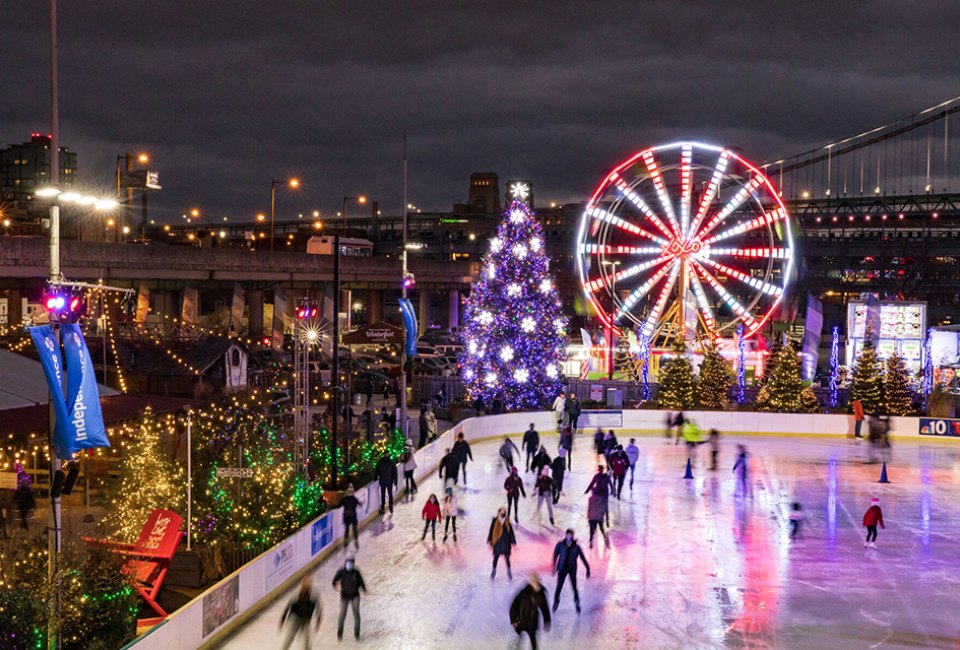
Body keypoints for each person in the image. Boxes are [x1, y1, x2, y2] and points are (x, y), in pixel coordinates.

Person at [552, 529, 590, 613]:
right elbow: (555, 555)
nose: (569, 537)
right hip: (562, 569)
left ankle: (577, 603)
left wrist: (587, 568)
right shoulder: (560, 545)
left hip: (572, 569)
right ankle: (556, 602)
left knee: (574, 588)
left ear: (572, 536)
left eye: (570, 535)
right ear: (565, 535)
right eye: (567, 535)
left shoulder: (576, 547)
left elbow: (583, 558)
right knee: (559, 587)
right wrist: (553, 566)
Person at [509, 573, 551, 650]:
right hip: (521, 621)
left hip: (533, 623)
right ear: (531, 582)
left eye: (537, 581)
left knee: (533, 642)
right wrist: (513, 620)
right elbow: (514, 605)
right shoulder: (523, 593)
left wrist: (547, 620)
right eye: (534, 581)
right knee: (518, 638)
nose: (536, 583)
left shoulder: (541, 594)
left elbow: (544, 608)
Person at [279, 576, 322, 650]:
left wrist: (318, 622)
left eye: (308, 585)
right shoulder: (296, 595)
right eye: (304, 585)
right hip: (295, 619)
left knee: (306, 642)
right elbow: (287, 607)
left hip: (306, 620)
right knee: (289, 639)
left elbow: (319, 609)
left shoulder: (314, 596)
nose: (306, 587)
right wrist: (282, 620)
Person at [332, 556, 367, 641]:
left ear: (353, 564)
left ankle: (357, 635)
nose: (349, 565)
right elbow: (334, 582)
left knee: (356, 615)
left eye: (351, 563)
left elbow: (361, 582)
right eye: (348, 563)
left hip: (355, 596)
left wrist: (364, 589)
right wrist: (337, 586)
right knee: (342, 615)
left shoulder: (356, 572)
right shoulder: (341, 571)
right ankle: (339, 634)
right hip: (344, 597)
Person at [488, 507, 517, 580]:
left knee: (507, 558)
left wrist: (513, 541)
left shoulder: (507, 521)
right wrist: (490, 540)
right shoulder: (495, 521)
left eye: (504, 512)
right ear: (499, 512)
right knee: (496, 557)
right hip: (497, 542)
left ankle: (509, 572)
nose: (503, 513)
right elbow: (491, 531)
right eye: (502, 511)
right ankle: (494, 571)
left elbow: (511, 532)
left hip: (506, 542)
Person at [340, 485, 362, 550]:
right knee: (355, 529)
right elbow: (360, 504)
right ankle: (356, 541)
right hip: (353, 517)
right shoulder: (354, 499)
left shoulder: (344, 499)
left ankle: (346, 541)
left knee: (347, 529)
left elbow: (338, 505)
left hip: (346, 517)